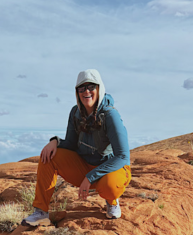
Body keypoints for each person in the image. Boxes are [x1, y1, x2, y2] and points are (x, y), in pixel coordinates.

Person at [22, 68, 131, 226]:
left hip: (108, 169)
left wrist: (90, 177)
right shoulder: (75, 113)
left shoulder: (110, 115)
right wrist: (55, 141)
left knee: (109, 187)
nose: (86, 91)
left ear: (99, 88)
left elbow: (122, 156)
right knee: (48, 156)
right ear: (77, 92)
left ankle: (112, 201)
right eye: (82, 88)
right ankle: (40, 212)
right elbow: (71, 145)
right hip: (83, 166)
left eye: (91, 87)